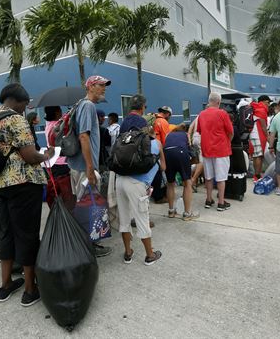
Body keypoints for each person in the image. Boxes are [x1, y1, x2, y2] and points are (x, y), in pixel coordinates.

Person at [0, 83, 54, 307]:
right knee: (27, 234)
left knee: (7, 233)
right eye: (25, 104)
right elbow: (28, 155)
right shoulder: (16, 119)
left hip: (0, 183)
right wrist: (45, 155)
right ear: (18, 101)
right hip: (23, 184)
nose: (25, 108)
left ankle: (6, 284)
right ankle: (30, 289)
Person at [67, 75, 113, 257]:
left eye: (104, 86)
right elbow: (83, 136)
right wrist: (90, 167)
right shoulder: (87, 106)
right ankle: (88, 247)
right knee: (88, 205)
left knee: (85, 204)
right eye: (101, 85)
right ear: (91, 86)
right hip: (84, 167)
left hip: (80, 166)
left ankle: (88, 244)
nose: (104, 89)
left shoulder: (81, 105)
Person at [116, 125, 164, 266]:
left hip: (120, 181)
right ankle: (150, 255)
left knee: (124, 219)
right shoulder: (156, 143)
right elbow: (164, 167)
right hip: (137, 185)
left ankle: (128, 253)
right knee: (142, 219)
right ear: (152, 133)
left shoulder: (128, 141)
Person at [197, 92, 233, 211]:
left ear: (209, 101)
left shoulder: (201, 114)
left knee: (208, 177)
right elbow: (230, 131)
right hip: (221, 149)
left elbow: (200, 131)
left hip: (207, 149)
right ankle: (221, 203)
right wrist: (228, 141)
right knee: (221, 177)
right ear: (219, 102)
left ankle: (208, 200)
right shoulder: (222, 113)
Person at [164, 124, 199, 221]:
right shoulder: (186, 135)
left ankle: (171, 211)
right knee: (187, 183)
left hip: (167, 153)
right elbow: (191, 152)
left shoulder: (168, 134)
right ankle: (187, 213)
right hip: (180, 152)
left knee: (170, 184)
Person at [44, 106, 74, 211]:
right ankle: (67, 216)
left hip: (52, 164)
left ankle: (60, 212)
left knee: (58, 193)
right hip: (62, 163)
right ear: (56, 113)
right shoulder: (56, 127)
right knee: (66, 194)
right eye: (60, 111)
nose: (61, 113)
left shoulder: (48, 125)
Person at [249, 95, 271, 181]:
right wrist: (268, 137)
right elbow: (263, 126)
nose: (269, 104)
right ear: (263, 101)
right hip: (257, 135)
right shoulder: (261, 109)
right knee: (258, 156)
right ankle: (257, 176)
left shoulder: (256, 108)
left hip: (254, 135)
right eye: (268, 102)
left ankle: (257, 175)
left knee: (256, 156)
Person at [187, 116, 203, 192]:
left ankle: (194, 182)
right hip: (201, 137)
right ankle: (193, 180)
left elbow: (190, 127)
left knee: (196, 160)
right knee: (201, 161)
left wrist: (189, 140)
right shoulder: (206, 115)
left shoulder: (198, 117)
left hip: (194, 137)